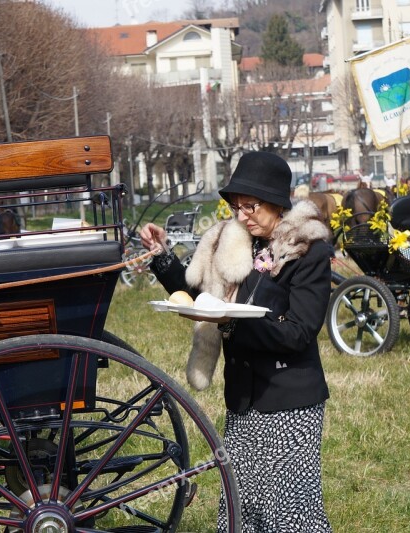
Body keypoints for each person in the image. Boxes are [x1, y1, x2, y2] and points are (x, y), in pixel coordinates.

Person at [140, 151, 333, 533]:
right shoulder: (234, 242)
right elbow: (200, 295)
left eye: (251, 206)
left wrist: (233, 323)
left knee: (289, 510)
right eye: (235, 206)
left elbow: (299, 332)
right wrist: (162, 257)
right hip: (244, 399)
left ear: (277, 204)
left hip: (289, 401)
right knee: (243, 504)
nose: (241, 215)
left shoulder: (309, 251)